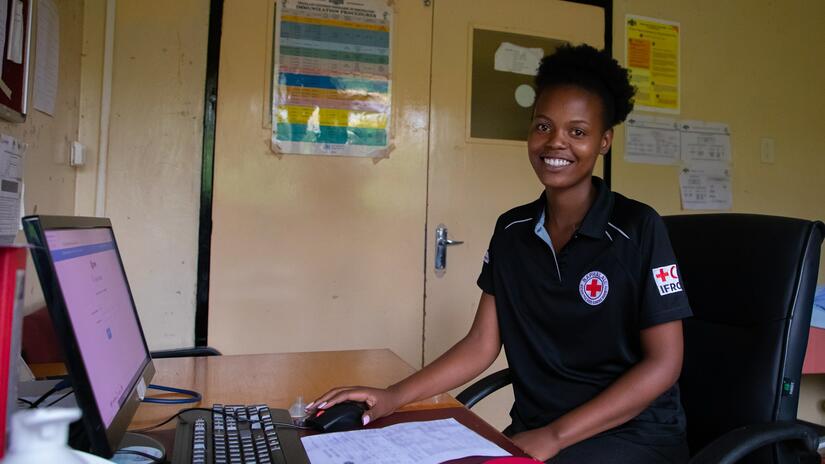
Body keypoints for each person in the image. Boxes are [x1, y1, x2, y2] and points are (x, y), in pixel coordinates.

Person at [308, 44, 692, 463]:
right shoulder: (512, 231)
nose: (555, 143)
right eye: (543, 126)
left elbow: (664, 363)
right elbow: (481, 343)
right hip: (539, 429)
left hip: (631, 435)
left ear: (604, 140)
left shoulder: (638, 228)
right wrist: (392, 396)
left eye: (577, 132)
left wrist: (557, 436)